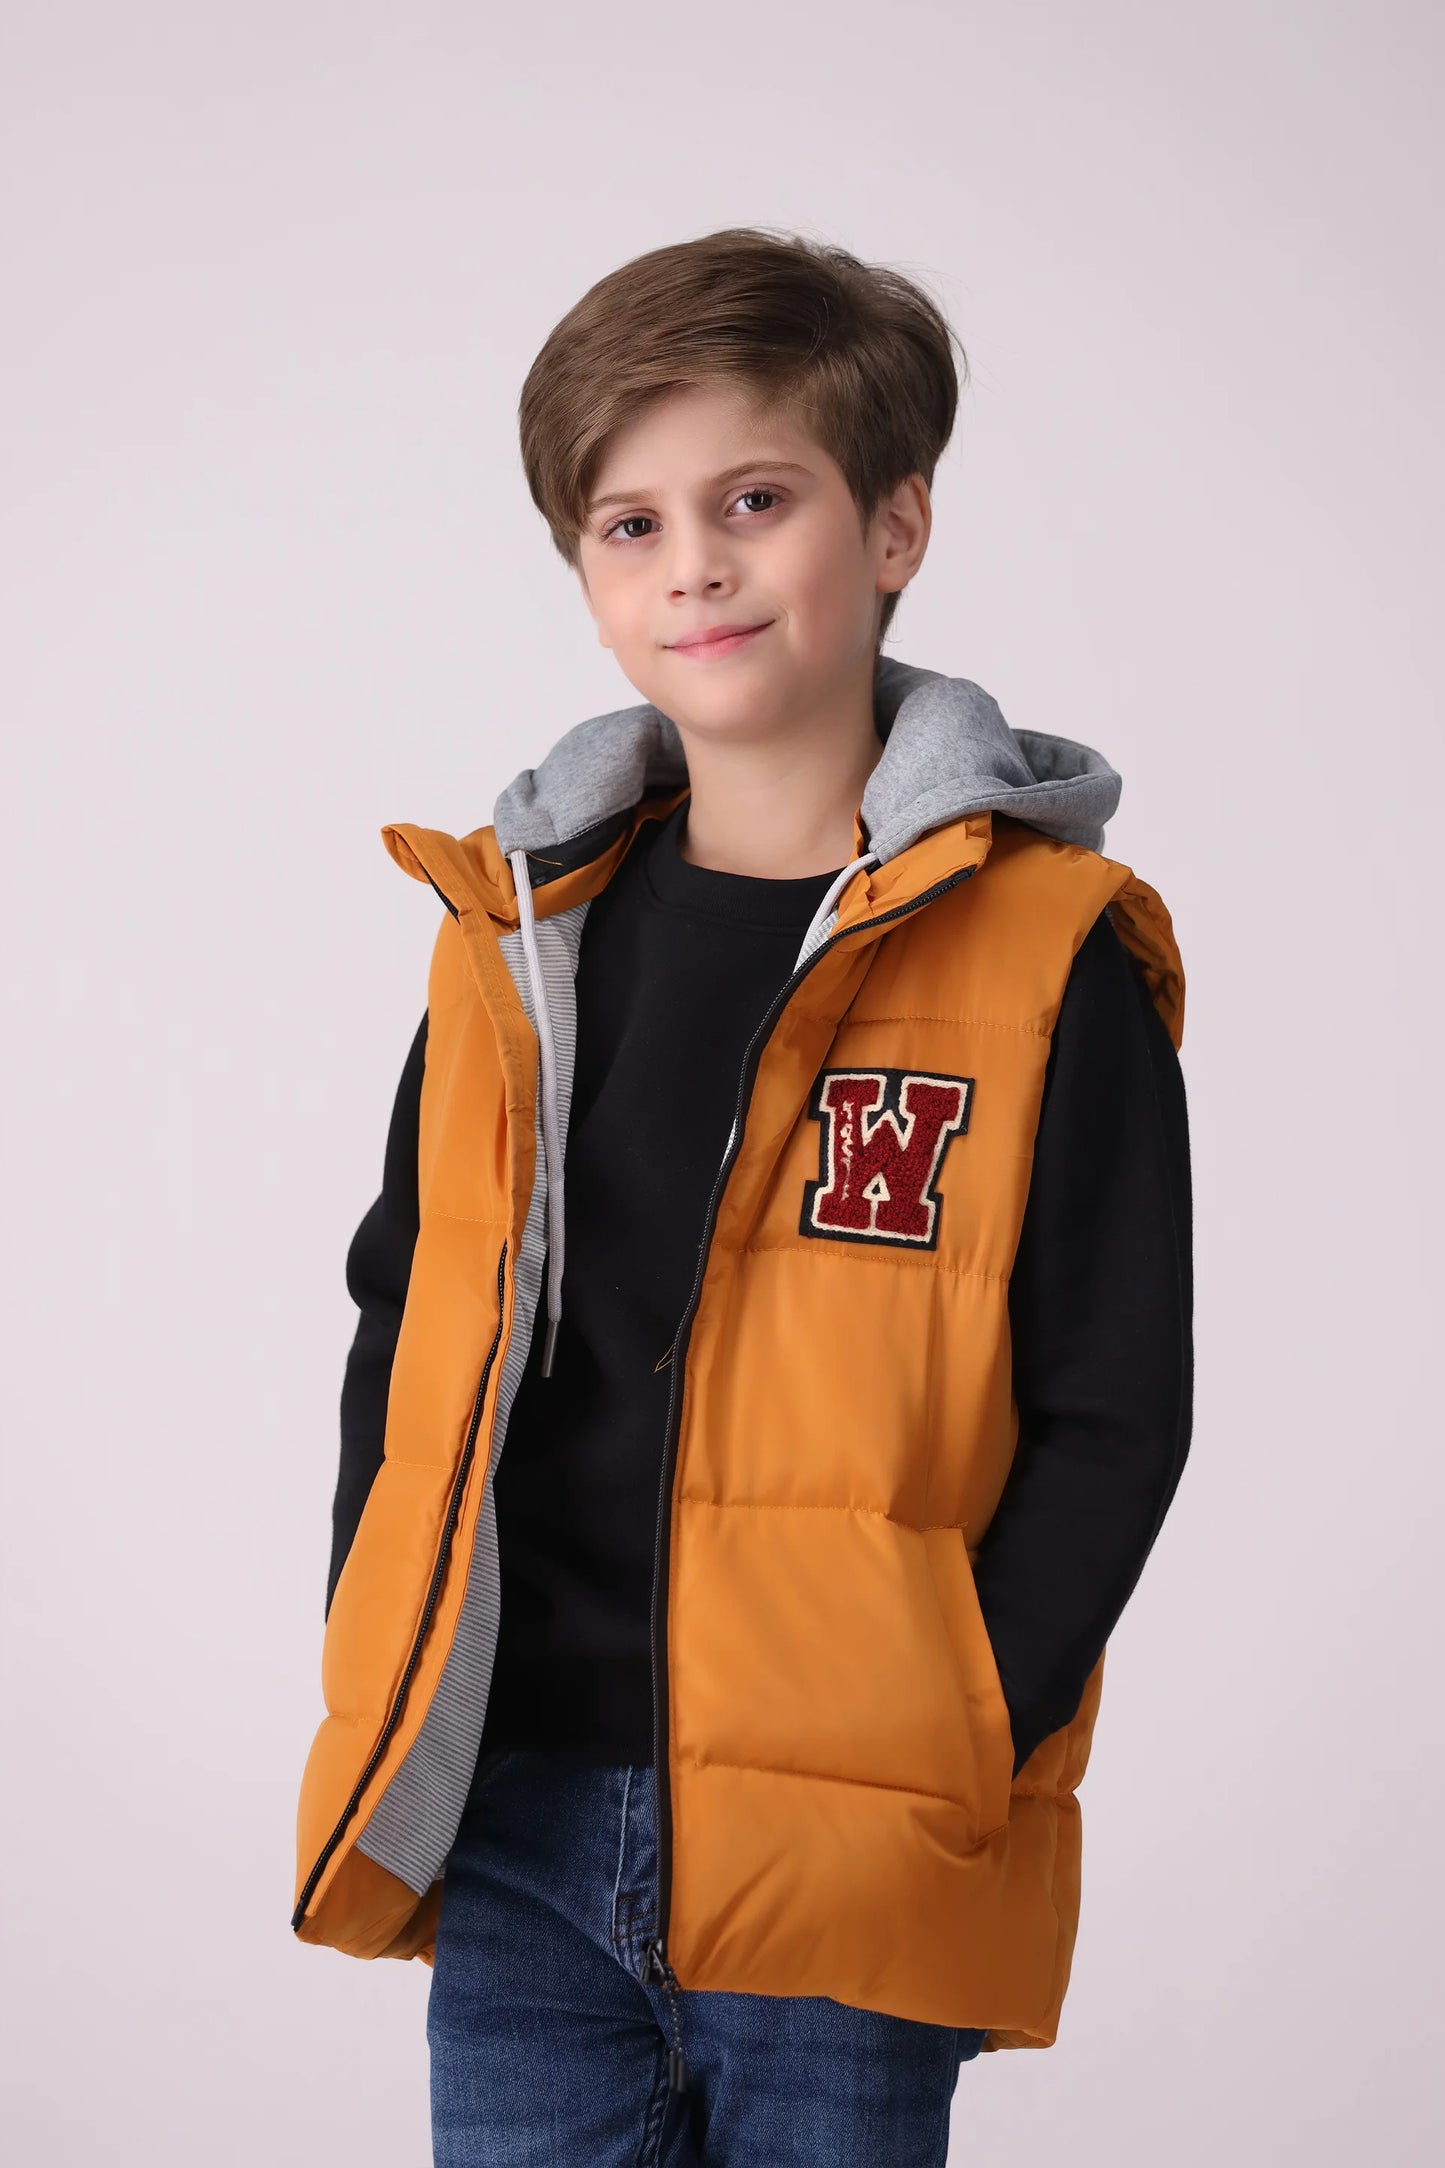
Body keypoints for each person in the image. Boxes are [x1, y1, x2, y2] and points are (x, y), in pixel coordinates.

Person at [291, 229, 1193, 2167]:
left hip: (849, 1834)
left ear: (894, 526)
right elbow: (410, 1306)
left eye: (754, 500)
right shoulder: (516, 941)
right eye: (630, 524)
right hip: (520, 1815)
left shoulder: (1048, 952)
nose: (690, 563)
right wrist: (387, 1636)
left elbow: (1116, 1406)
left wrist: (955, 1722)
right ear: (588, 578)